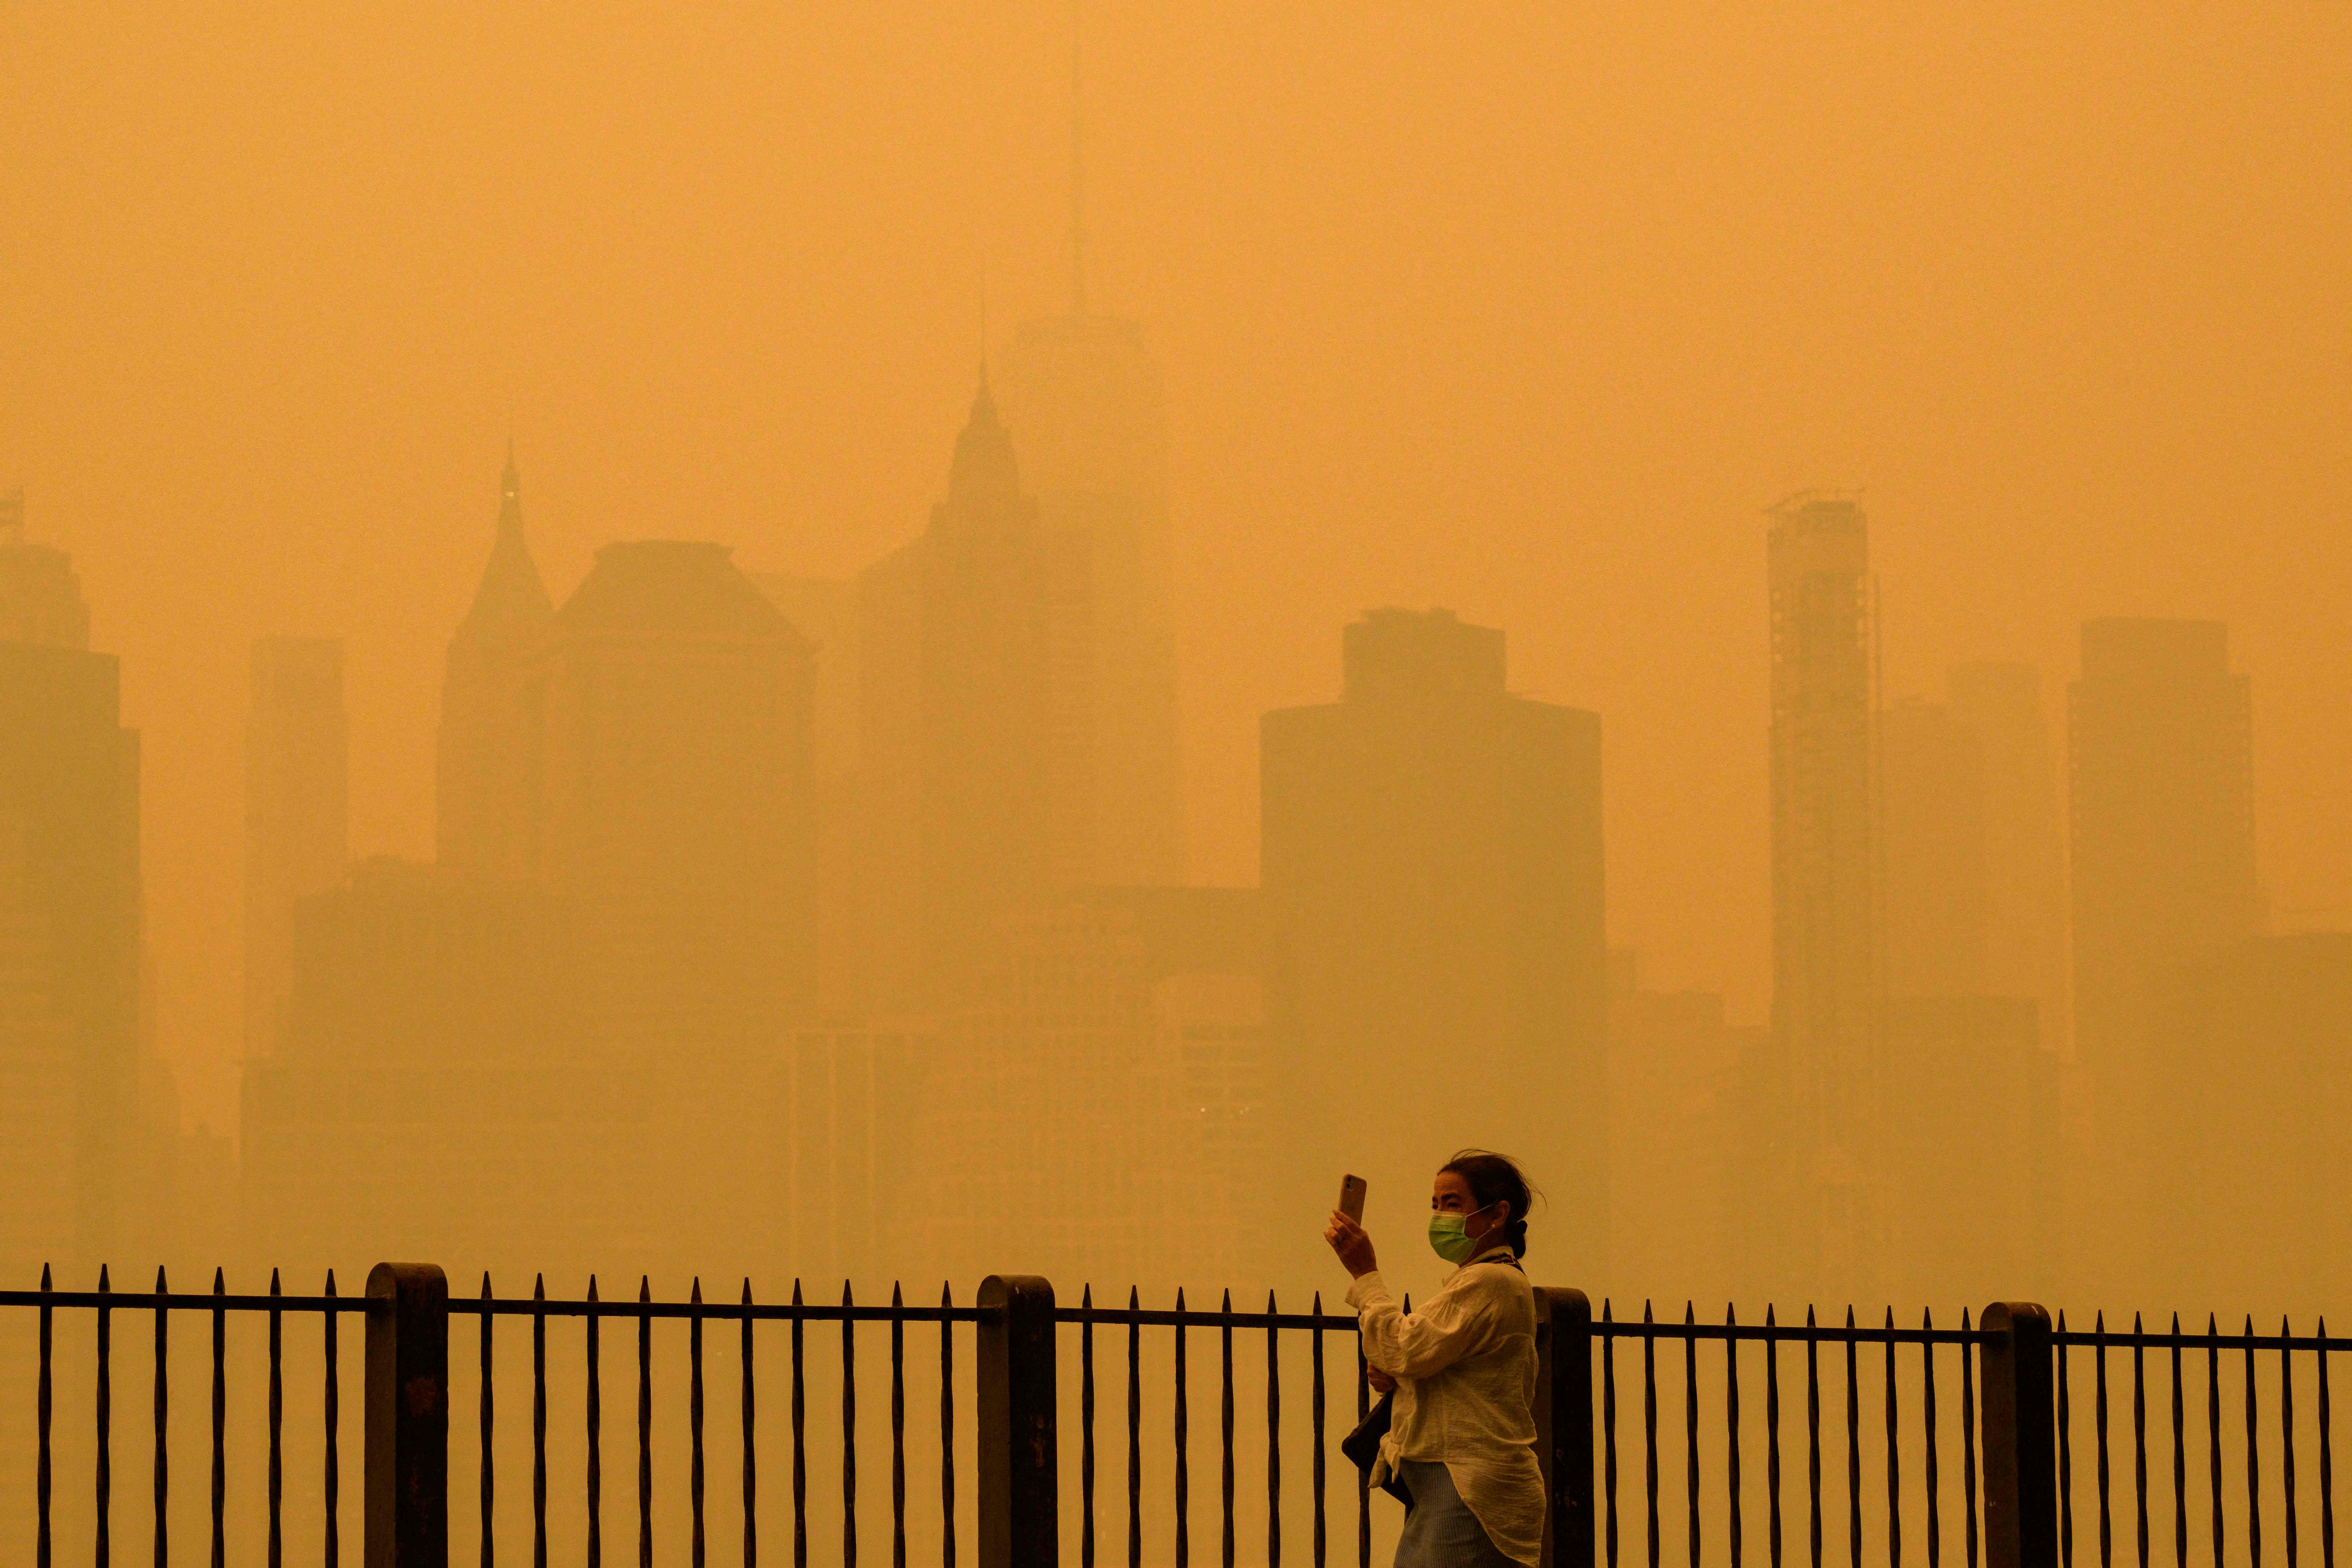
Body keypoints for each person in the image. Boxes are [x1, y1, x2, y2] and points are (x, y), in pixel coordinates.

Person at [1324, 1150, 1544, 1568]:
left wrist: (1365, 1273)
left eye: (1453, 1203)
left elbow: (1406, 1349)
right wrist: (1400, 1375)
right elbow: (1437, 1366)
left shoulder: (1491, 1280)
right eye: (1436, 1204)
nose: (1441, 1215)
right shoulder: (1479, 1280)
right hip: (1451, 1487)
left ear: (1498, 1213)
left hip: (1467, 1488)